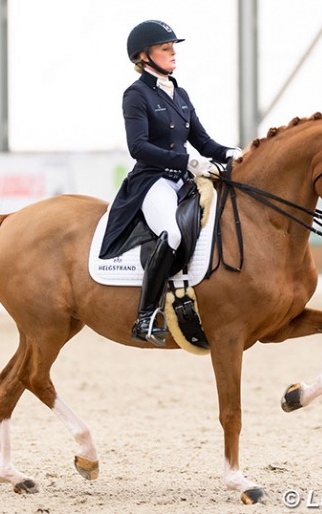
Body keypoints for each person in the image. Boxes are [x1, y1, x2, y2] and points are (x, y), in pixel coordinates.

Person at [99, 19, 242, 345]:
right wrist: (188, 161)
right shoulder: (135, 95)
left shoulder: (179, 93)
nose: (173, 52)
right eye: (165, 48)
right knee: (172, 232)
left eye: (173, 47)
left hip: (184, 180)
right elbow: (139, 147)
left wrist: (235, 153)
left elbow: (205, 143)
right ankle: (146, 315)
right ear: (144, 56)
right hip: (153, 182)